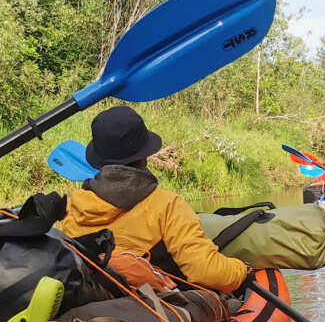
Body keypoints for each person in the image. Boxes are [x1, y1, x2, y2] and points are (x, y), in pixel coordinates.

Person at [59, 106, 249, 292]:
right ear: (145, 156)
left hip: (98, 306)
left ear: (98, 159)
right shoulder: (168, 205)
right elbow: (206, 272)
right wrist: (242, 269)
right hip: (159, 310)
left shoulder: (72, 207)